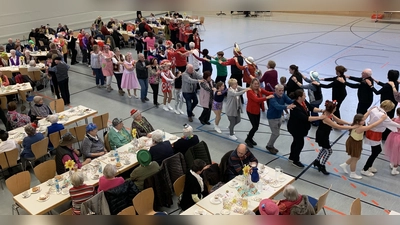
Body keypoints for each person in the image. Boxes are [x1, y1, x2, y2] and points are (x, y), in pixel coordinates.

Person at [340, 110, 388, 179]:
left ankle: (345, 164)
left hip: (356, 141)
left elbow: (364, 117)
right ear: (358, 121)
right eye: (362, 120)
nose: (364, 121)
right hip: (354, 143)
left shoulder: (356, 123)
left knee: (356, 157)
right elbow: (372, 125)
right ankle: (352, 173)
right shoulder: (360, 128)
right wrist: (382, 119)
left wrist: (370, 111)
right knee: (355, 158)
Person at [360, 100, 400, 177]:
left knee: (374, 151)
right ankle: (365, 169)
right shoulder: (383, 116)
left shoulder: (374, 109)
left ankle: (369, 166)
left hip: (371, 132)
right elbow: (393, 124)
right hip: (375, 134)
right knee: (376, 151)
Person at [313, 100, 353, 175]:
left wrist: (349, 123)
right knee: (329, 151)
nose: (336, 109)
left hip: (324, 134)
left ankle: (317, 161)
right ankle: (322, 165)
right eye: (335, 108)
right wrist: (351, 127)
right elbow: (337, 126)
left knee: (324, 149)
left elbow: (338, 120)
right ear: (332, 109)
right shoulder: (325, 117)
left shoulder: (329, 114)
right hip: (322, 135)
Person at [287, 89, 324, 168]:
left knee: (295, 142)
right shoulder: (295, 107)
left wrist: (321, 110)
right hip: (295, 128)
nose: (305, 96)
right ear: (299, 97)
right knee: (300, 143)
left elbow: (311, 108)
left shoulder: (303, 102)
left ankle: (291, 156)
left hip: (301, 127)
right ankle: (295, 160)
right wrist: (320, 117)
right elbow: (306, 118)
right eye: (304, 95)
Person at [369, 69, 400, 140]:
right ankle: (387, 134)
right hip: (393, 103)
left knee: (384, 118)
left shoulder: (388, 85)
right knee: (390, 117)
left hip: (386, 104)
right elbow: (386, 86)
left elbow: (377, 92)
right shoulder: (396, 83)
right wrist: (378, 82)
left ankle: (384, 135)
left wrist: (371, 86)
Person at [266, 84, 295, 154]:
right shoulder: (272, 98)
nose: (281, 92)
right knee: (276, 133)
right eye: (279, 90)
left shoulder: (283, 96)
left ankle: (271, 145)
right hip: (272, 118)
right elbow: (277, 106)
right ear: (275, 90)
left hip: (279, 117)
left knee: (276, 133)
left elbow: (289, 101)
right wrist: (287, 107)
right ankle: (269, 146)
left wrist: (296, 101)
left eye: (282, 90)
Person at [245, 78, 274, 148]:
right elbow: (256, 100)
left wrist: (277, 93)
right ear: (251, 84)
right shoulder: (249, 92)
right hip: (251, 111)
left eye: (257, 84)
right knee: (255, 127)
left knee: (256, 127)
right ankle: (248, 139)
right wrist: (267, 98)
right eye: (255, 84)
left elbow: (268, 93)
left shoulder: (259, 90)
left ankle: (250, 138)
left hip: (257, 111)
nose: (256, 85)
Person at [384, 108, 400, 175]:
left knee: (393, 151)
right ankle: (394, 169)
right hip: (398, 137)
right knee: (398, 154)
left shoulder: (395, 119)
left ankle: (392, 163)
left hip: (392, 136)